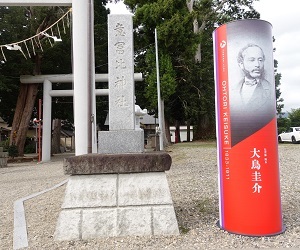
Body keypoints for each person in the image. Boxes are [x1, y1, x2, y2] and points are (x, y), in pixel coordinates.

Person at [230, 44, 275, 146]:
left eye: (260, 60)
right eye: (251, 60)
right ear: (241, 64)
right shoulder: (233, 90)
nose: (257, 65)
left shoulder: (269, 89)